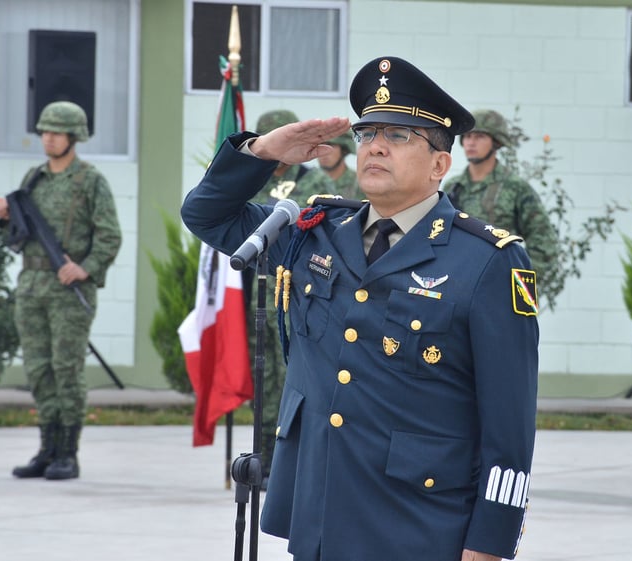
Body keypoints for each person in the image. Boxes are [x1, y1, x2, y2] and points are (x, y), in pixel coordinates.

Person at [182, 56, 539, 561]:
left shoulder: (486, 261)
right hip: (319, 517)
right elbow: (206, 214)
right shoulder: (312, 234)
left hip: (420, 525)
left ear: (440, 164)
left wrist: (490, 543)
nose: (374, 145)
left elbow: (510, 424)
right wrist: (264, 151)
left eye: (398, 136)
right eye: (368, 132)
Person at [0, 101, 122, 480]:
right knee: (38, 368)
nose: (48, 138)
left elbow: (109, 236)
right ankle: (46, 448)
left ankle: (68, 451)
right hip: (31, 286)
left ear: (73, 137)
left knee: (66, 368)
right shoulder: (34, 177)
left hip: (68, 289)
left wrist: (86, 268)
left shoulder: (89, 180)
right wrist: (4, 216)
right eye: (45, 131)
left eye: (56, 132)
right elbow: (19, 232)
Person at [249, 109, 336, 485]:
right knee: (260, 379)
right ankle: (260, 459)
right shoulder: (250, 180)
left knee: (293, 383)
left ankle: (286, 463)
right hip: (255, 295)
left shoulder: (312, 181)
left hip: (296, 298)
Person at [444, 109, 558, 292]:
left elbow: (544, 243)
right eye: (467, 136)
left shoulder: (515, 188)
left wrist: (518, 287)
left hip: (497, 288)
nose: (471, 142)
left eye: (479, 136)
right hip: (455, 285)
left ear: (496, 142)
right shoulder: (451, 187)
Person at [317, 132, 364, 199]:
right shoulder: (308, 181)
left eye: (330, 145)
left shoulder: (360, 184)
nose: (323, 152)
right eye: (319, 146)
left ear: (344, 151)